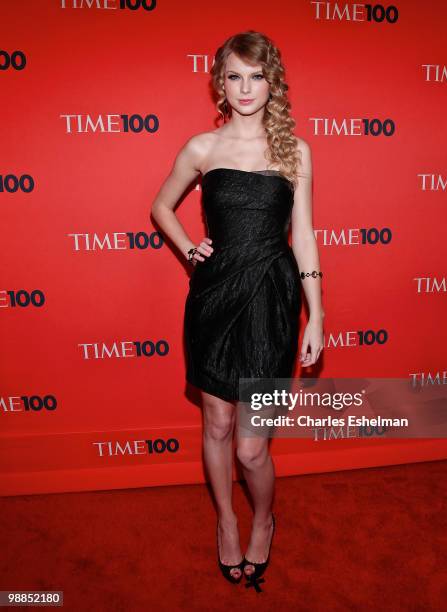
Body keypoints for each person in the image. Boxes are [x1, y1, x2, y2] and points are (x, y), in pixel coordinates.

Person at [151, 30, 325, 592]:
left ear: (271, 82)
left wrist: (317, 315)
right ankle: (227, 520)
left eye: (256, 76)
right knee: (217, 422)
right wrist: (187, 245)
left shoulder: (295, 150)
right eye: (234, 76)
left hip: (274, 300)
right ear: (220, 84)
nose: (245, 87)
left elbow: (303, 235)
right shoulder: (202, 147)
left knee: (252, 446)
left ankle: (264, 518)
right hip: (214, 296)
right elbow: (160, 205)